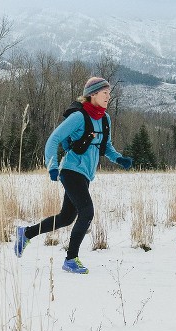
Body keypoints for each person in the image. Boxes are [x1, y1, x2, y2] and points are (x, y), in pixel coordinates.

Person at [13, 77, 133, 274]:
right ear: (93, 94)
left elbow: (106, 146)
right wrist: (52, 166)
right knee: (87, 212)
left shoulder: (105, 119)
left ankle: (26, 233)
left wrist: (119, 159)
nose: (108, 97)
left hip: (85, 175)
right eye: (105, 93)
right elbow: (53, 140)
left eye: (109, 93)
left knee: (66, 218)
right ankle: (70, 260)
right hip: (70, 171)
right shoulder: (79, 117)